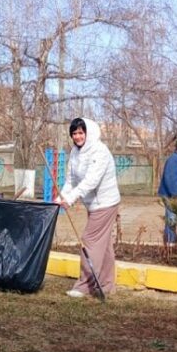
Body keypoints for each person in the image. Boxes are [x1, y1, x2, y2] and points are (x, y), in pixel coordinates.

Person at [55, 117, 121, 299]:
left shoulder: (99, 152)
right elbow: (71, 180)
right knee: (105, 246)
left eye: (80, 132)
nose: (77, 137)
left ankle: (84, 286)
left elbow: (90, 181)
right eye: (74, 133)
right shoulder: (75, 153)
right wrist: (60, 198)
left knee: (89, 240)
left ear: (88, 132)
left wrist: (71, 198)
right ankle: (107, 285)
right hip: (93, 204)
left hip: (105, 203)